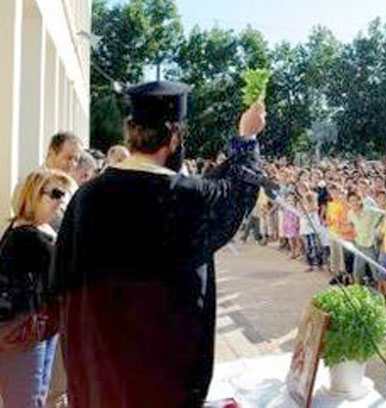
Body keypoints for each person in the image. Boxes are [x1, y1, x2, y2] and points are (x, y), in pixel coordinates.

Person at [54, 81, 272, 407]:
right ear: (173, 139)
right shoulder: (183, 198)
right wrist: (247, 136)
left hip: (99, 377)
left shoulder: (87, 197)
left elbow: (60, 282)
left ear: (131, 133)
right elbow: (234, 193)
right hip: (160, 382)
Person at [0, 169, 76, 408]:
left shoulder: (26, 231)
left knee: (35, 398)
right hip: (24, 336)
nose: (61, 201)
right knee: (27, 401)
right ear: (33, 196)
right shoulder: (29, 238)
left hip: (31, 332)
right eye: (55, 194)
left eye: (63, 195)